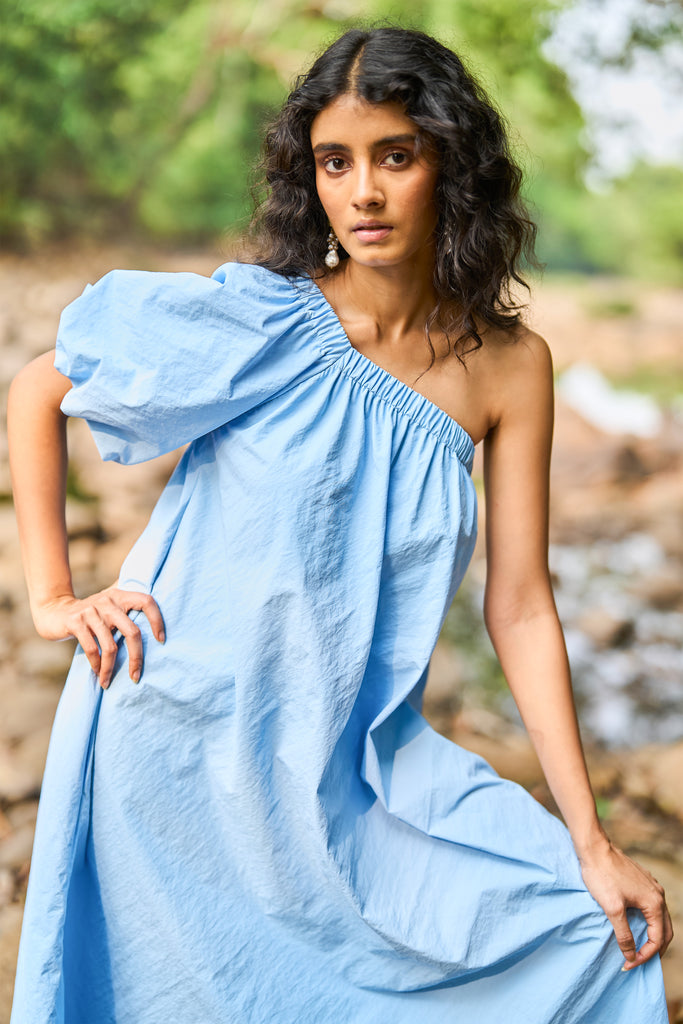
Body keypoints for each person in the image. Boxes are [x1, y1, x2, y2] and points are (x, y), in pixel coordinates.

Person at [8, 25, 672, 1024]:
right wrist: (53, 597)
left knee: (585, 932)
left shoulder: (507, 367)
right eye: (334, 162)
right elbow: (38, 388)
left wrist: (590, 838)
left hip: (349, 764)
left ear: (451, 165)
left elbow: (522, 606)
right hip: (175, 740)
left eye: (394, 157)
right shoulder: (260, 320)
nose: (362, 192)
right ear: (308, 176)